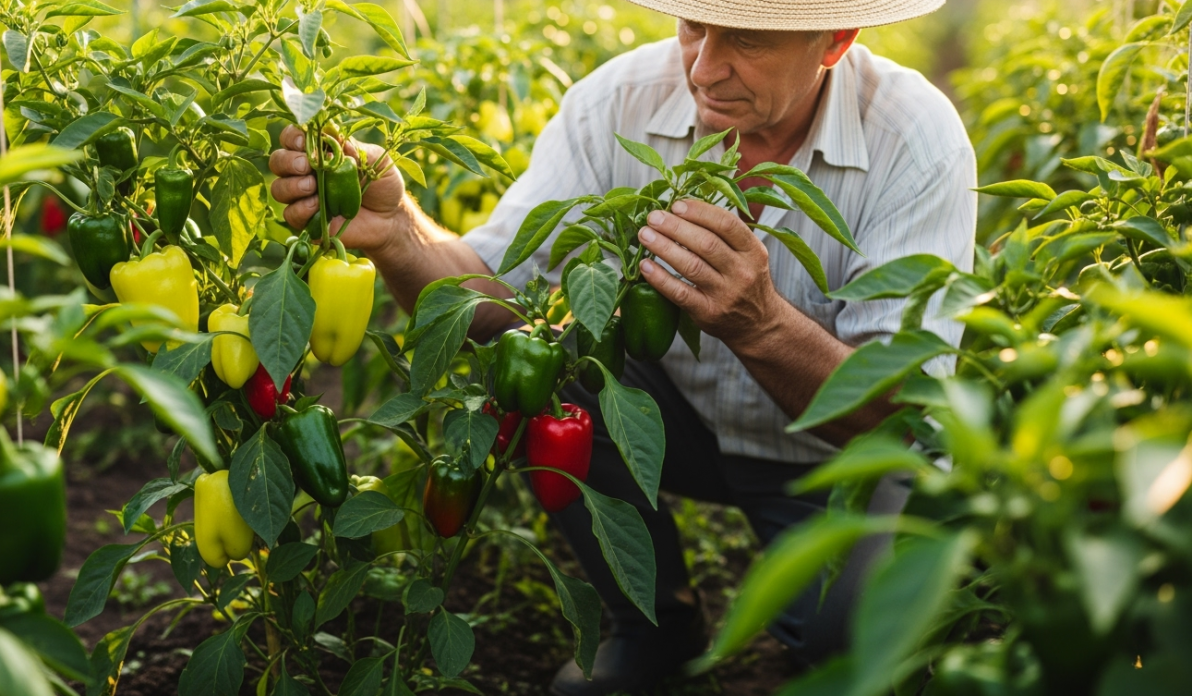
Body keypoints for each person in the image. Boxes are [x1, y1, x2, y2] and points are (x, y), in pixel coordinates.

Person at [270, 0, 974, 692]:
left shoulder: (913, 140)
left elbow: (898, 410)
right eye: (694, 25)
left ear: (834, 40)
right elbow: (491, 301)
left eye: (746, 42)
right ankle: (652, 620)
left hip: (835, 461)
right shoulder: (620, 102)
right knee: (547, 360)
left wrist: (760, 323)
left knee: (850, 641)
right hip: (682, 419)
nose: (703, 68)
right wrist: (398, 232)